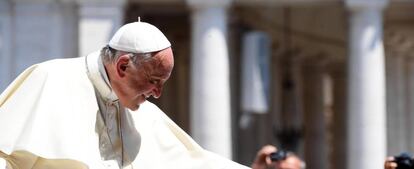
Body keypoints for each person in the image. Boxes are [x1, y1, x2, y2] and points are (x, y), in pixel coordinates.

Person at [0, 21, 249, 169]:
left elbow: (194, 163)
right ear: (122, 66)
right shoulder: (49, 79)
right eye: (153, 81)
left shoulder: (143, 114)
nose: (158, 93)